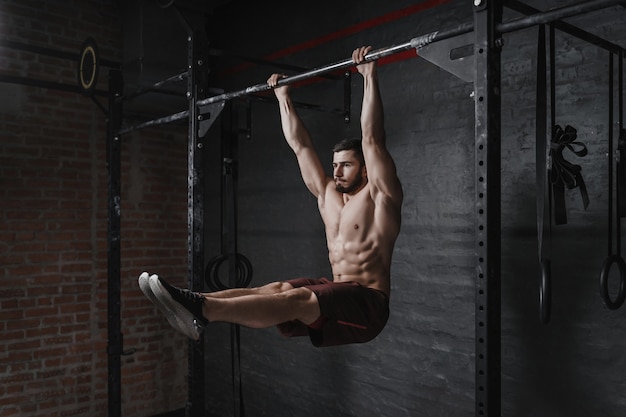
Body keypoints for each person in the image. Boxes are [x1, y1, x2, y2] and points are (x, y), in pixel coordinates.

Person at [139, 46, 403, 347]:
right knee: (277, 289)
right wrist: (283, 98)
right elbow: (301, 147)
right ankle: (194, 299)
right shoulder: (327, 193)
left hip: (367, 305)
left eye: (346, 165)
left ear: (366, 170)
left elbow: (373, 139)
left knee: (298, 298)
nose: (338, 171)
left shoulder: (380, 195)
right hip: (336, 292)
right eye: (335, 165)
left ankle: (204, 311)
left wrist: (369, 76)